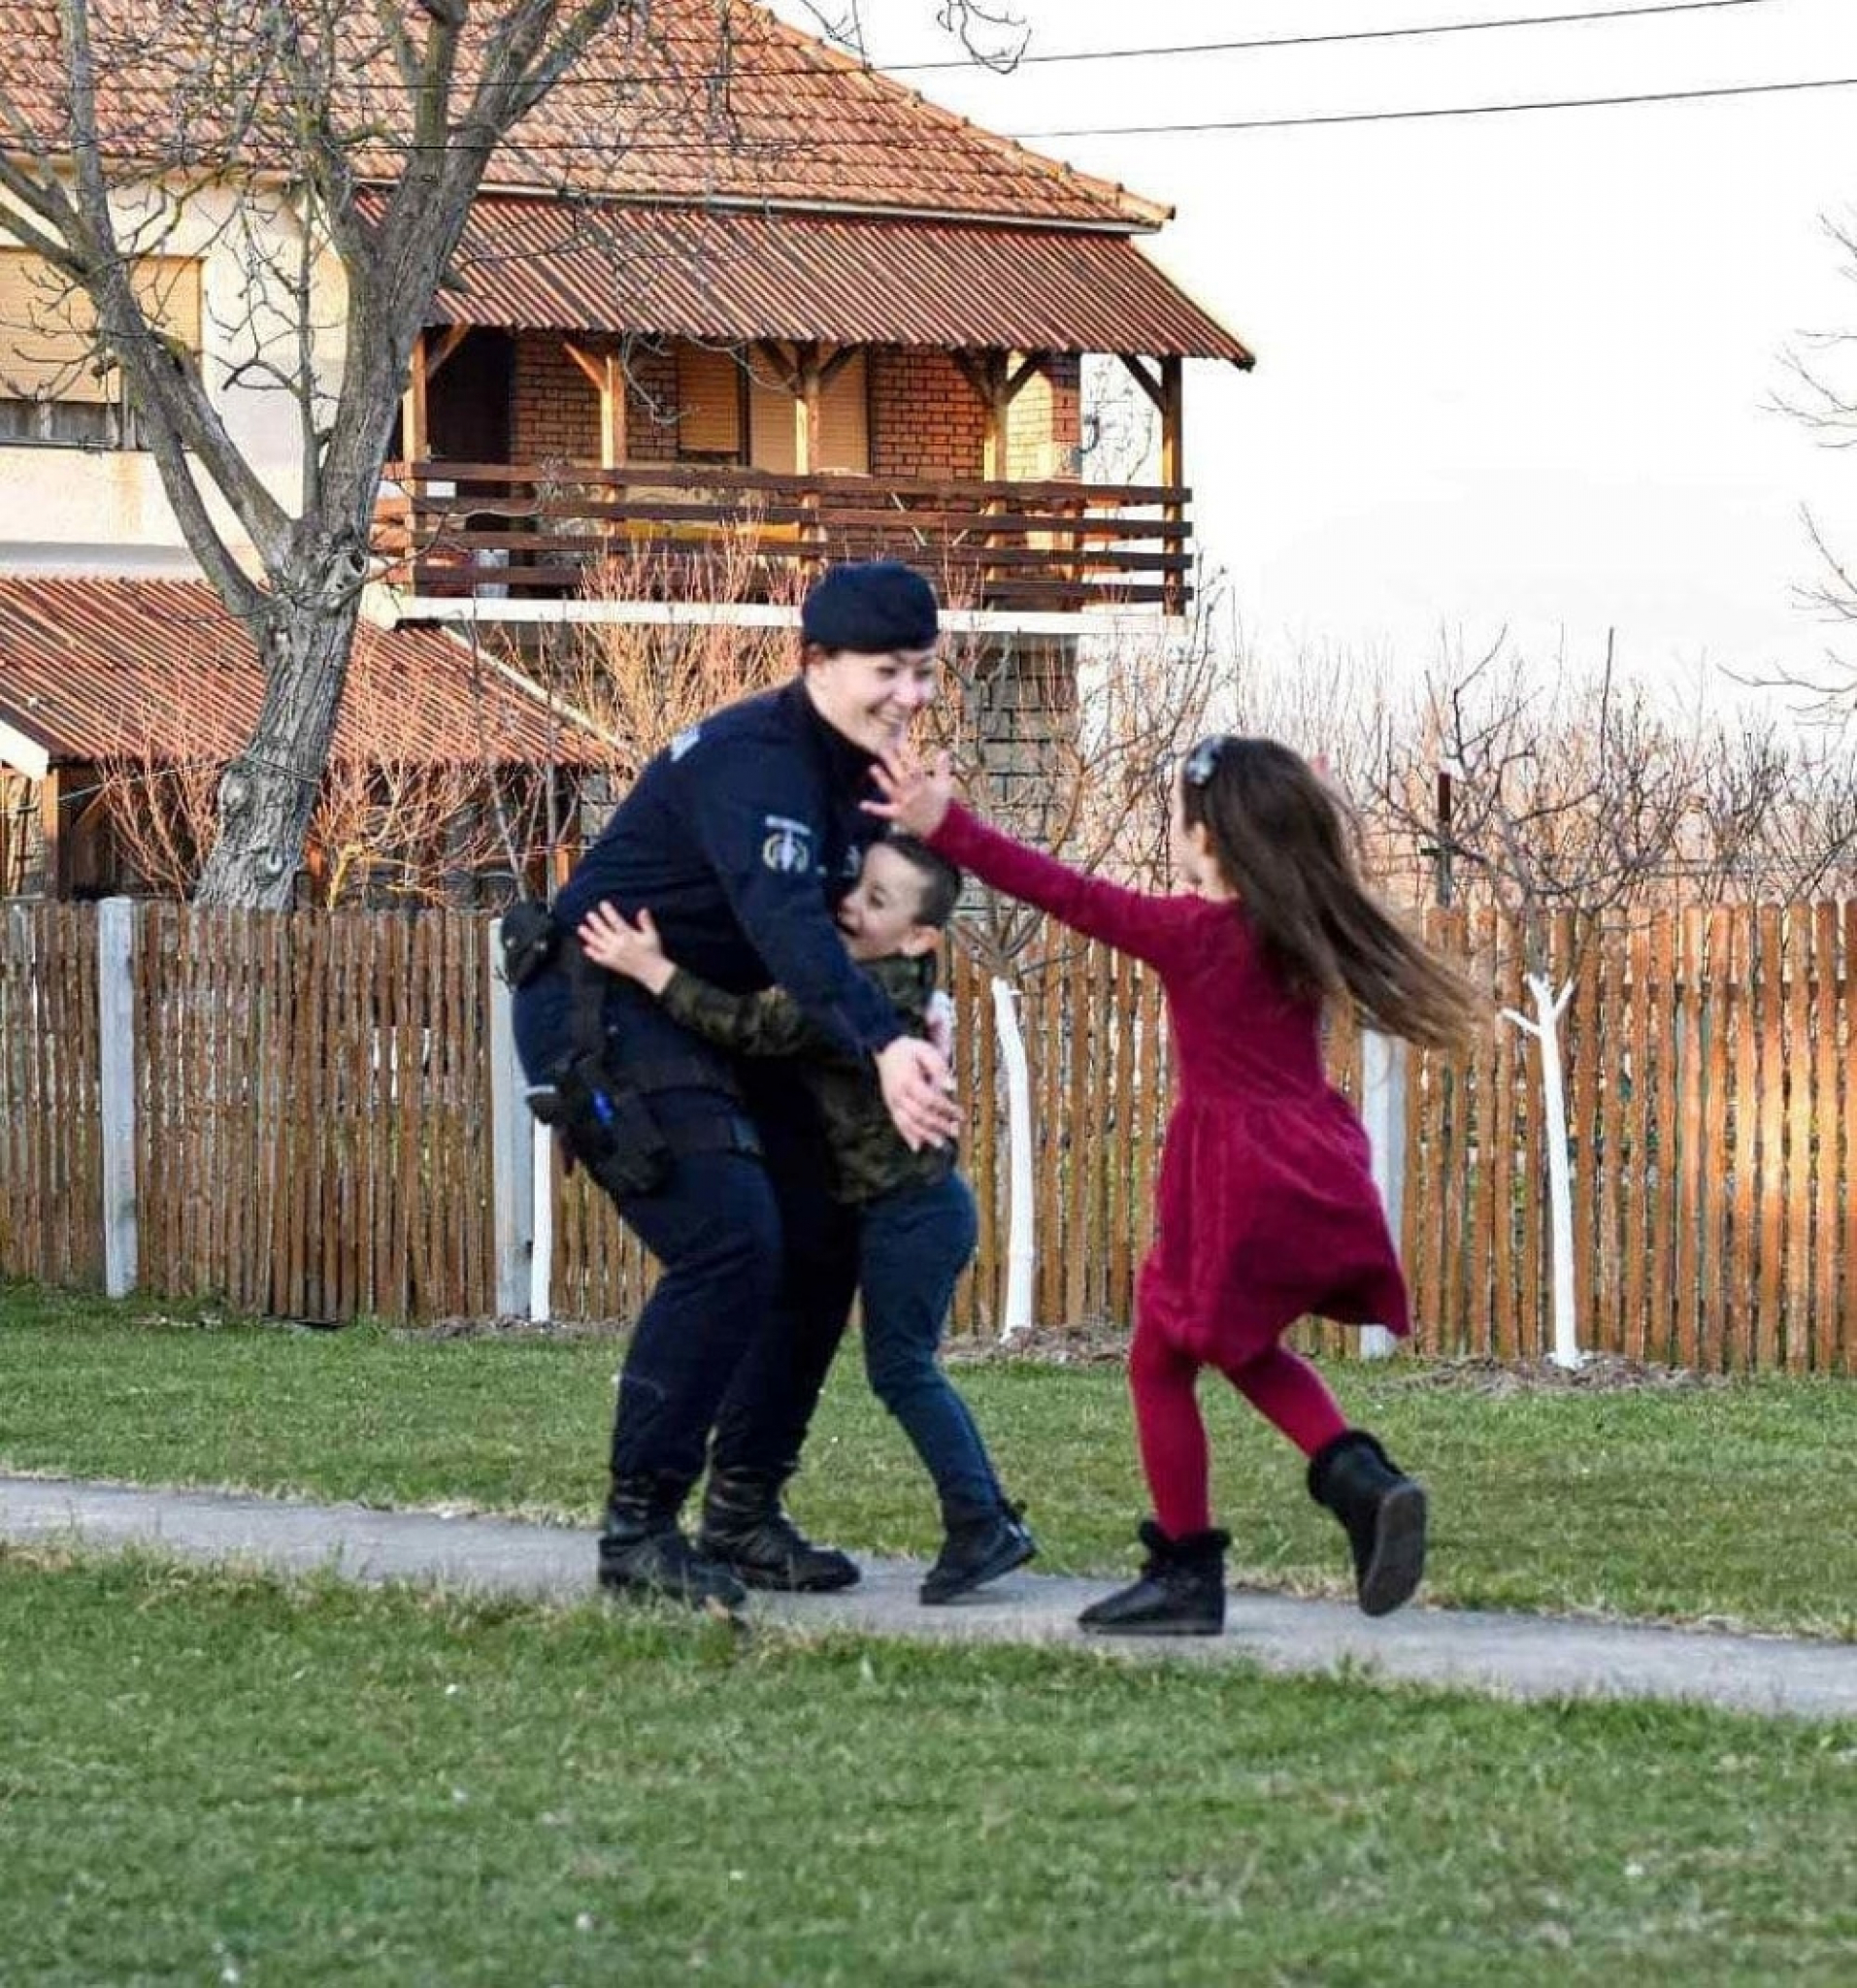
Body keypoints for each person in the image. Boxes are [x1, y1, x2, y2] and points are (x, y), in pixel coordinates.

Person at [868, 734, 1486, 1636]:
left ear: (1210, 839)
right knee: (1231, 1343)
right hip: (1313, 1156)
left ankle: (1189, 1573)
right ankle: (1357, 1480)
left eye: (1174, 820)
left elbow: (1062, 893)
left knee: (1160, 1359)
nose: (1170, 835)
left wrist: (945, 826)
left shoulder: (1193, 935)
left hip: (1230, 1174)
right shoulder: (1300, 925)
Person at [506, 560, 963, 1610]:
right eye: (886, 671)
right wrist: (878, 1046)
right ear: (816, 663)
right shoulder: (758, 762)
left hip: (713, 1014)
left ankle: (745, 1512)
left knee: (818, 1236)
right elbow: (792, 931)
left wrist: (909, 1016)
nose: (909, 696)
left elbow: (891, 916)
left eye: (924, 674)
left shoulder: (859, 776)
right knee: (727, 1238)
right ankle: (638, 1530)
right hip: (605, 998)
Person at [577, 832, 1037, 1605]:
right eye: (858, 887)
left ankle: (982, 1520)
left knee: (902, 1368)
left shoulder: (860, 1001)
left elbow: (752, 1026)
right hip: (910, 1210)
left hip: (911, 1215)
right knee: (902, 1367)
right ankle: (977, 1517)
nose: (851, 907)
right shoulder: (895, 982)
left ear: (921, 936)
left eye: (876, 902)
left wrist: (648, 967)